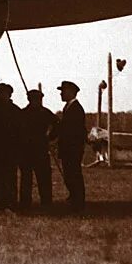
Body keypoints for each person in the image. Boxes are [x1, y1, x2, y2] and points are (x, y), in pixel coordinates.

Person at [16, 89, 54, 208]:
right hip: (28, 150)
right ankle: (26, 202)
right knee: (28, 178)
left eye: (38, 99)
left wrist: (49, 137)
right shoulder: (24, 113)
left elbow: (57, 125)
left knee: (42, 178)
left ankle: (44, 202)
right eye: (35, 99)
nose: (37, 101)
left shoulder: (44, 113)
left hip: (37, 150)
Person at [53, 80, 87, 213]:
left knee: (74, 174)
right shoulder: (68, 108)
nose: (61, 93)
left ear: (71, 92)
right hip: (68, 149)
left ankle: (78, 202)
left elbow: (72, 130)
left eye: (63, 91)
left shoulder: (76, 109)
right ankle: (74, 198)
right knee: (70, 175)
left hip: (72, 149)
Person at [0, 83, 20, 209]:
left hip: (10, 150)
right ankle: (1, 201)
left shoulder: (14, 111)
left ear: (7, 94)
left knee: (9, 177)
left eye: (0, 92)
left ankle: (11, 201)